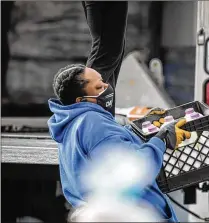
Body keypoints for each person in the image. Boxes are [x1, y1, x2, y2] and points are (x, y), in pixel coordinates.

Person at [48, 2, 191, 222]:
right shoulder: (93, 123)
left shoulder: (77, 121)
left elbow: (109, 145)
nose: (107, 87)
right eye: (98, 87)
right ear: (81, 99)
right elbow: (133, 169)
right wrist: (161, 140)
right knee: (109, 48)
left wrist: (141, 127)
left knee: (112, 47)